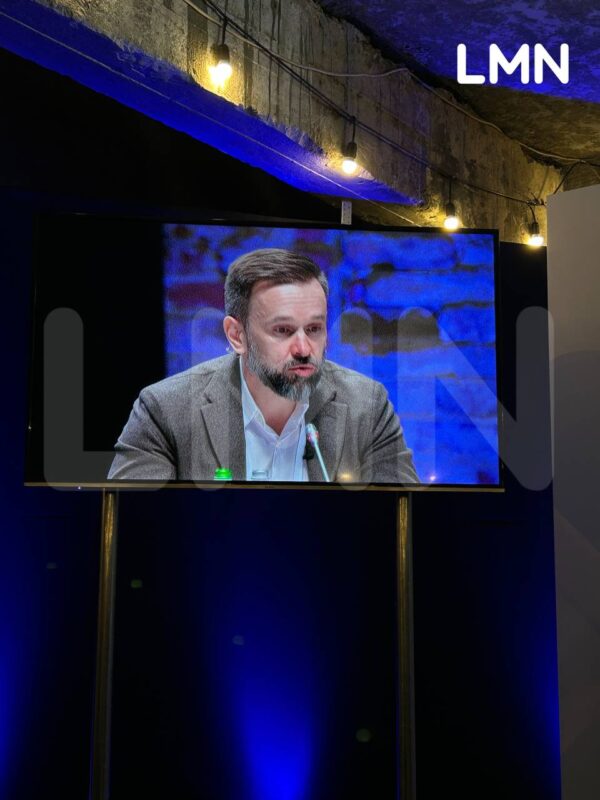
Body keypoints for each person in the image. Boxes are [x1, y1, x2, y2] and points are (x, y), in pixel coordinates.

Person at [108, 248, 418, 484]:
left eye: (314, 329)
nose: (303, 349)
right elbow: (132, 530)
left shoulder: (368, 407)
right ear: (237, 335)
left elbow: (404, 527)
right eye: (283, 330)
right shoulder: (166, 411)